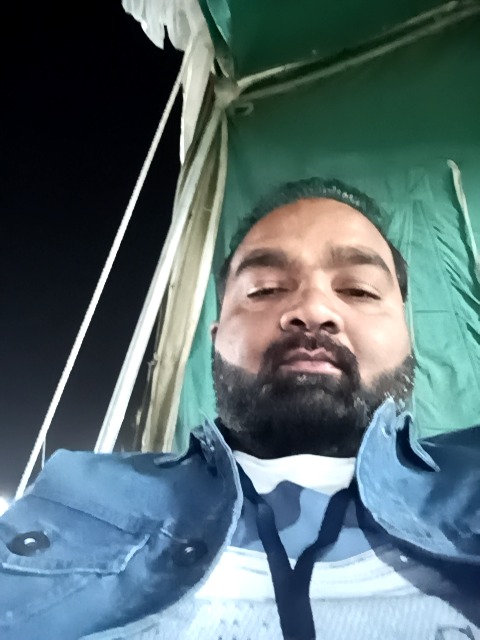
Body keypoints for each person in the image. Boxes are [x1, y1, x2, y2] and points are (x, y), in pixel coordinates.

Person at [1, 178, 479, 640]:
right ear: (216, 339)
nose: (313, 309)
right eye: (265, 289)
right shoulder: (82, 496)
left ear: (407, 337)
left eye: (358, 290)